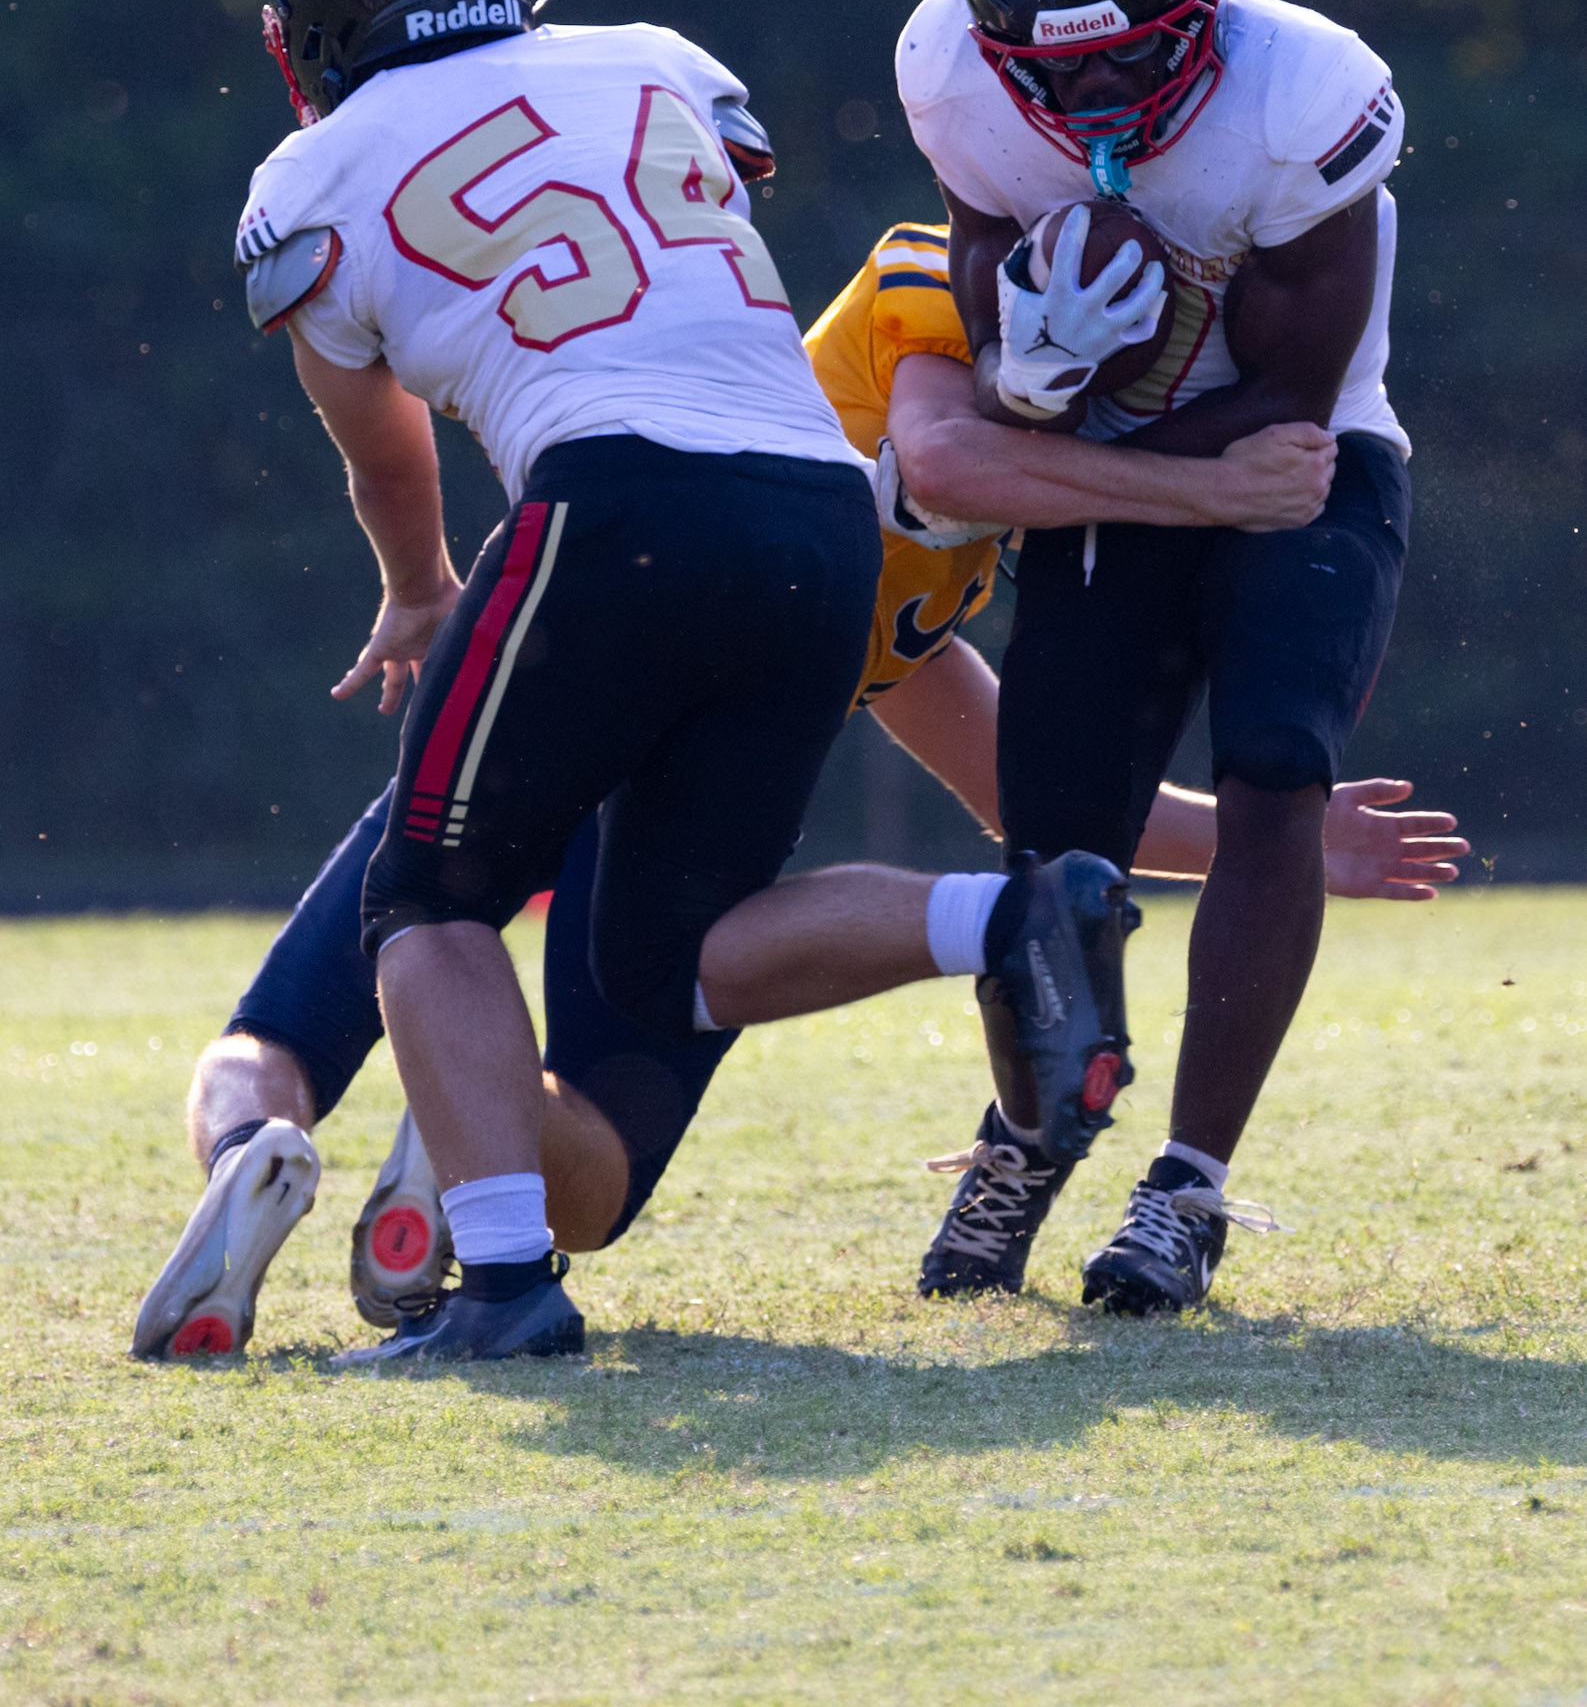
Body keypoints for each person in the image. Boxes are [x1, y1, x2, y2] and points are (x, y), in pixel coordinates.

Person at [133, 191, 1459, 1355]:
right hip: (663, 701)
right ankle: (495, 1130)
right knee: (602, 1119)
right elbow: (944, 452)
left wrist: (1265, 843)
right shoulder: (928, 313)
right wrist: (1206, 489)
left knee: (303, 1023)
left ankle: (271, 1147)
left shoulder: (940, 533)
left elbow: (996, 766)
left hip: (566, 644)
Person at [896, 0, 1419, 1312]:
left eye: (1131, 54)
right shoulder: (952, 70)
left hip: (1304, 458)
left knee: (1274, 769)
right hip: (1119, 471)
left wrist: (1069, 446)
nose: (1095, 92)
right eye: (1058, 64)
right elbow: (988, 295)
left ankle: (1186, 1186)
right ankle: (1031, 1134)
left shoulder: (1303, 97)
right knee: (1054, 834)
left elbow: (1289, 413)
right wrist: (1032, 373)